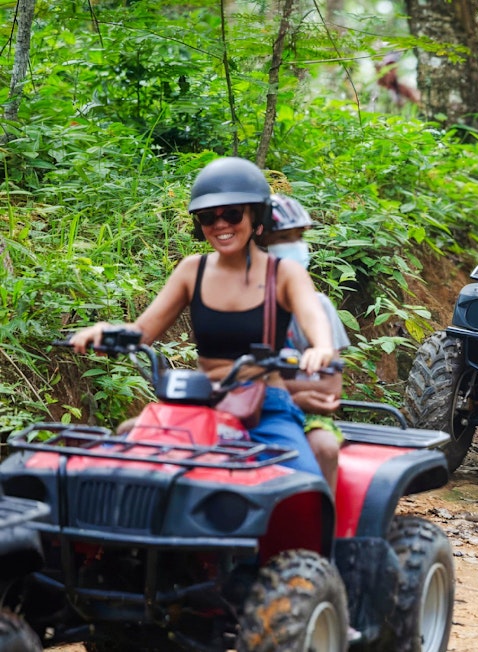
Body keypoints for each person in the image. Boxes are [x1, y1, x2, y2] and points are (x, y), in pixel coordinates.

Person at [69, 157, 335, 478]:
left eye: (233, 214)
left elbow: (312, 315)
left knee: (303, 482)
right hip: (199, 400)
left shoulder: (286, 274)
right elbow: (142, 331)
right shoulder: (191, 270)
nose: (220, 225)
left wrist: (320, 347)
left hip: (265, 407)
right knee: (123, 459)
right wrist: (105, 332)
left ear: (257, 217)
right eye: (209, 217)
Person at [258, 194, 352, 494]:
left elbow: (329, 390)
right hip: (239, 408)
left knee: (324, 447)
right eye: (283, 238)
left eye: (298, 238)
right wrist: (299, 393)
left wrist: (280, 397)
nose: (296, 246)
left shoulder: (318, 305)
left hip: (304, 417)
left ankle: (323, 534)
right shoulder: (236, 298)